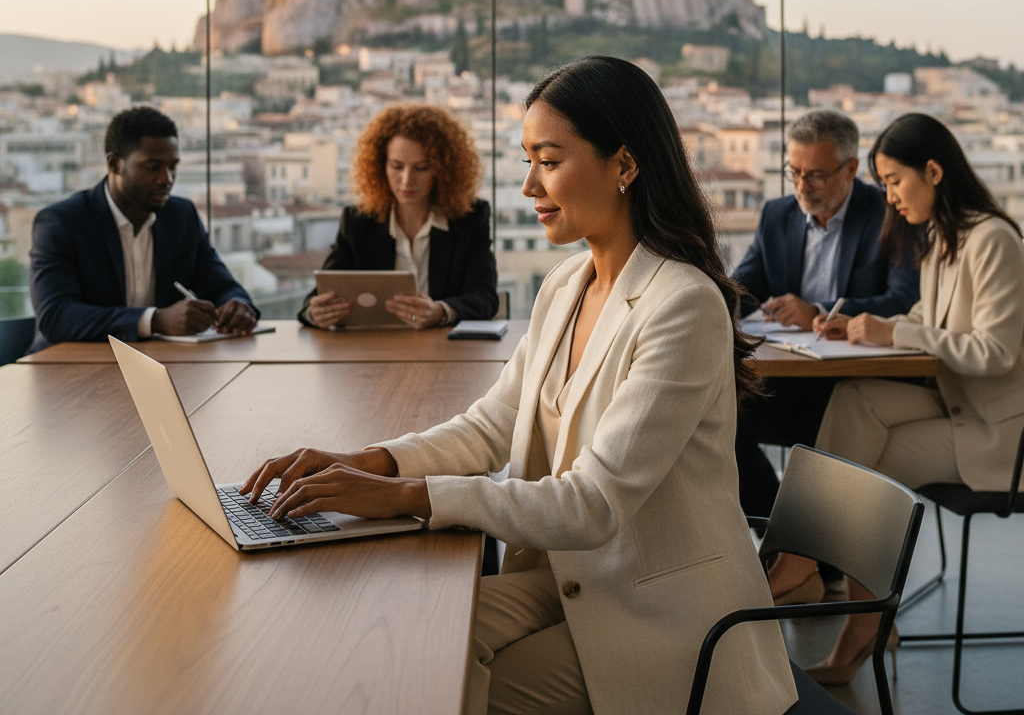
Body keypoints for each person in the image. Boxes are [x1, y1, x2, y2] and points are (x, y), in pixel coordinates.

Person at [244, 57, 798, 715]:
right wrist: (367, 462)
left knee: (427, 683)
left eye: (550, 161)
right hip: (574, 579)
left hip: (661, 611)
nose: (531, 184)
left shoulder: (683, 303)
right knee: (408, 635)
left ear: (624, 164)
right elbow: (491, 427)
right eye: (528, 160)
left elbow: (591, 504)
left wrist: (402, 495)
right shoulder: (565, 284)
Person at [768, 112, 1024, 684]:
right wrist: (862, 325)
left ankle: (846, 607)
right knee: (856, 398)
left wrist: (894, 332)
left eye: (894, 181)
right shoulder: (943, 238)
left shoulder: (993, 240)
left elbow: (996, 353)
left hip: (1000, 432)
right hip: (957, 400)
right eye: (883, 184)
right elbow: (927, 317)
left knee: (867, 472)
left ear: (933, 171)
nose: (888, 196)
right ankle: (812, 566)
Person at [732, 110, 919, 554]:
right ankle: (792, 551)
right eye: (794, 172)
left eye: (816, 174)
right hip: (791, 382)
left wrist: (818, 311)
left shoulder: (889, 213)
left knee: (832, 438)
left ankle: (811, 560)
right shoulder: (777, 215)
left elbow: (905, 300)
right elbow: (740, 288)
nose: (802, 186)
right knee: (720, 421)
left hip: (858, 387)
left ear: (851, 169)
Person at [29, 106, 258, 353]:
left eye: (173, 166)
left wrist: (237, 305)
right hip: (69, 365)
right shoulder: (63, 222)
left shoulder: (182, 217)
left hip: (160, 362)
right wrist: (155, 320)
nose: (167, 179)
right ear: (114, 164)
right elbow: (55, 316)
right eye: (153, 167)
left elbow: (221, 285)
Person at [299, 104, 497, 330]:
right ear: (380, 166)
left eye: (421, 168)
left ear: (442, 169)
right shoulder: (358, 222)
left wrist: (441, 311)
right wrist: (315, 313)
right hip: (374, 346)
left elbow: (485, 298)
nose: (407, 180)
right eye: (396, 166)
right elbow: (317, 297)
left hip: (444, 347)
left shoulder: (470, 219)